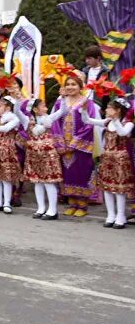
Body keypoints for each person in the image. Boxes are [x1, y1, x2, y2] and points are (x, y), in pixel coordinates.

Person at [50, 73, 99, 217]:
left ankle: (82, 205)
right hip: (63, 146)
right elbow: (54, 123)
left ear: (80, 87)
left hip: (80, 147)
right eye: (68, 85)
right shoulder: (60, 103)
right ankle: (72, 203)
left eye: (73, 84)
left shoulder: (87, 103)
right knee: (67, 174)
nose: (70, 87)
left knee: (81, 173)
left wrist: (73, 144)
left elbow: (89, 125)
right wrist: (60, 144)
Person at [82, 98, 135, 228]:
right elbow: (88, 120)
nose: (106, 110)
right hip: (107, 158)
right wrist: (84, 110)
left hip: (121, 160)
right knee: (107, 187)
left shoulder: (128, 123)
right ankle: (111, 215)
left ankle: (120, 215)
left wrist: (116, 120)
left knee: (119, 189)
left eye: (109, 108)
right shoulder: (107, 122)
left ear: (118, 110)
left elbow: (122, 133)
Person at [19, 98, 66, 220]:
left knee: (49, 182)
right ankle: (40, 208)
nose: (46, 108)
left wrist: (63, 98)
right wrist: (18, 100)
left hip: (47, 154)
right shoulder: (27, 120)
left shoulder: (48, 118)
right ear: (35, 109)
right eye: (43, 106)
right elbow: (17, 111)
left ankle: (52, 210)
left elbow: (62, 110)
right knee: (37, 182)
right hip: (34, 154)